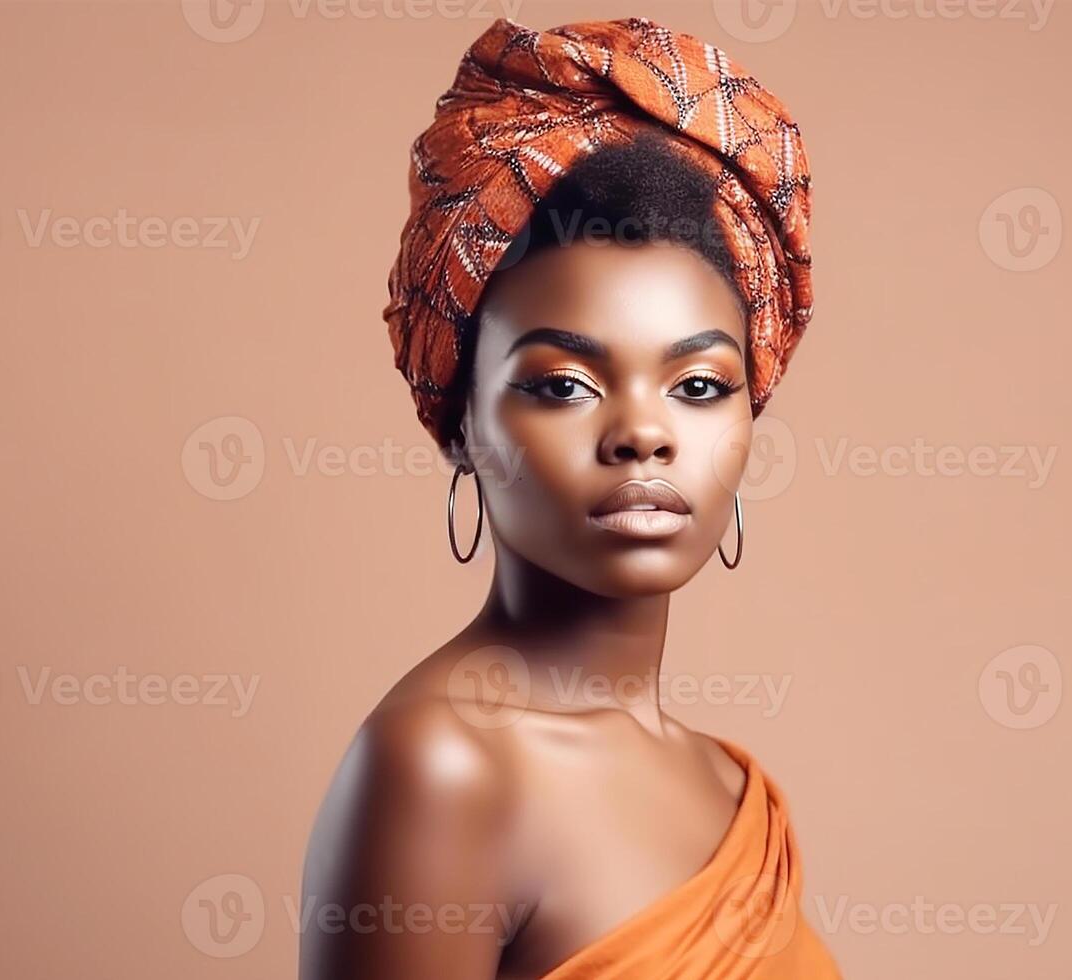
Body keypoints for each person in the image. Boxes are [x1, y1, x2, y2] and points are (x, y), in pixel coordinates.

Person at [301, 16, 840, 979]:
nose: (644, 431)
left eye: (700, 385)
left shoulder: (722, 780)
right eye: (565, 384)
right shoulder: (442, 769)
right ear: (460, 422)